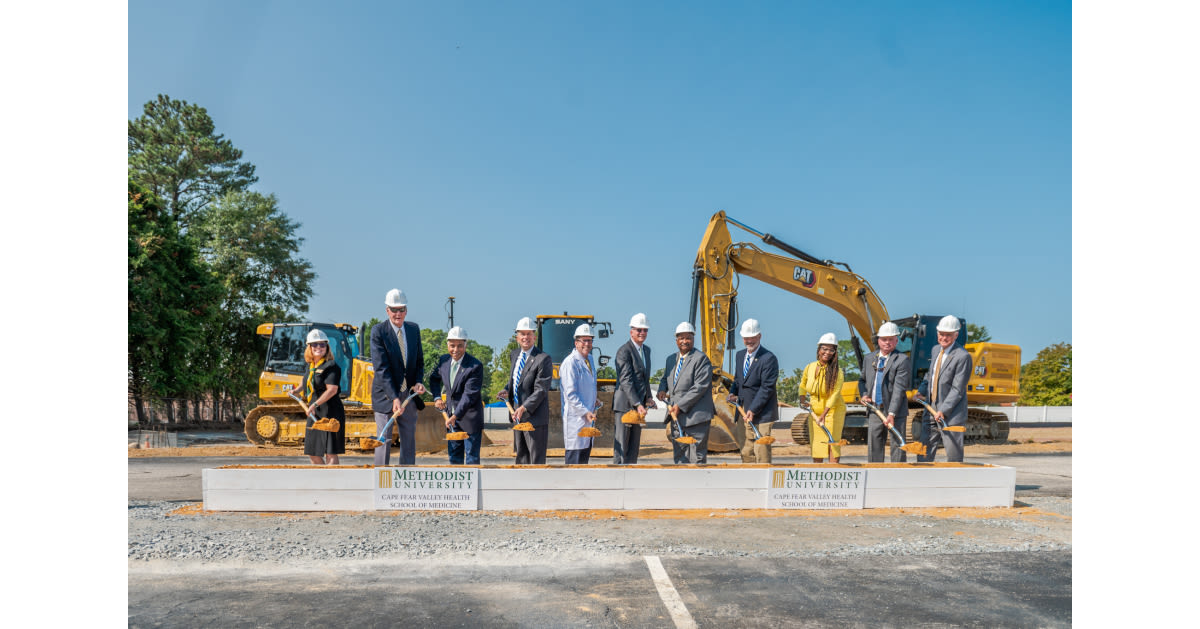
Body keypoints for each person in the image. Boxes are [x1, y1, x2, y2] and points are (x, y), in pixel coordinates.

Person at [369, 288, 426, 466]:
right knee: (384, 439)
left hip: (408, 394)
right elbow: (381, 368)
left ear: (406, 310)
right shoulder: (378, 331)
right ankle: (381, 478)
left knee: (408, 439)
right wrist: (394, 397)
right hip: (386, 395)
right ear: (387, 311)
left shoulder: (413, 329)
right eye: (394, 310)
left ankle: (407, 479)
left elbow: (419, 362)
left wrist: (418, 382)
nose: (398, 313)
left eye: (401, 309)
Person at [656, 322, 715, 464]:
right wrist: (662, 389)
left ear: (693, 339)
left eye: (688, 338)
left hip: (696, 417)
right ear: (676, 340)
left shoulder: (701, 359)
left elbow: (699, 387)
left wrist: (679, 406)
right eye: (681, 338)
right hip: (678, 418)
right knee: (680, 458)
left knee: (696, 458)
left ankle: (697, 486)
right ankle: (682, 485)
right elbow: (666, 378)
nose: (684, 341)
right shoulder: (671, 359)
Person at [916, 316, 972, 462]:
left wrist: (944, 410)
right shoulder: (935, 350)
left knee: (953, 454)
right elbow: (931, 374)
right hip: (931, 408)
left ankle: (954, 482)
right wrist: (921, 390)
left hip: (951, 413)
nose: (944, 338)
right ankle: (922, 479)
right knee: (923, 450)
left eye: (948, 335)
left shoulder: (963, 356)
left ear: (956, 335)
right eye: (941, 334)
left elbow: (958, 389)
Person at [499, 317, 553, 465]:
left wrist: (524, 407)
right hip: (518, 415)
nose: (525, 337)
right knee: (521, 458)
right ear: (517, 336)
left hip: (534, 417)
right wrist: (506, 390)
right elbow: (516, 380)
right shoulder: (515, 355)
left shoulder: (543, 359)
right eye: (522, 334)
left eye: (529, 334)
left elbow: (541, 389)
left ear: (534, 336)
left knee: (535, 461)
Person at [429, 326, 485, 465]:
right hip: (451, 418)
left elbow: (469, 396)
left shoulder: (475, 366)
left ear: (466, 345)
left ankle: (472, 487)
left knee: (471, 458)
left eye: (460, 346)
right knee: (454, 459)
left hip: (469, 418)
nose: (455, 350)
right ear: (447, 345)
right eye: (452, 345)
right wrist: (437, 398)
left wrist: (455, 416)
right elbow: (433, 379)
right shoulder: (443, 361)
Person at [726, 319, 779, 464]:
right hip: (743, 410)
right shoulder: (739, 355)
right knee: (746, 449)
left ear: (759, 336)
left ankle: (763, 480)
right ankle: (749, 480)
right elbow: (737, 380)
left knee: (761, 450)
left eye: (752, 337)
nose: (749, 341)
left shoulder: (769, 358)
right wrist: (732, 392)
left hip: (762, 413)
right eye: (746, 338)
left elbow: (766, 388)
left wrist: (753, 409)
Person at [859, 321, 912, 463]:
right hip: (875, 410)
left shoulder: (902, 359)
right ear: (878, 340)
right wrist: (864, 394)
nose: (887, 343)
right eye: (884, 339)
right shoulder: (869, 358)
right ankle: (876, 477)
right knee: (874, 447)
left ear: (896, 340)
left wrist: (892, 413)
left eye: (890, 339)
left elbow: (899, 389)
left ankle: (898, 477)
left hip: (895, 412)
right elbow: (862, 380)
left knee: (897, 447)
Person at [612, 313, 656, 464]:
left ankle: (630, 480)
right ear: (631, 331)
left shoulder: (646, 351)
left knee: (633, 449)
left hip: (639, 406)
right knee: (622, 448)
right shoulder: (624, 351)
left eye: (645, 330)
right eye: (639, 330)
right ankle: (617, 481)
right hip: (625, 405)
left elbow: (644, 378)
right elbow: (626, 380)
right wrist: (638, 403)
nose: (642, 333)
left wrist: (648, 397)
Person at [299, 329, 345, 465]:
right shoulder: (311, 366)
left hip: (330, 412)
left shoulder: (331, 366)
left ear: (327, 347)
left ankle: (333, 483)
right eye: (315, 344)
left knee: (330, 452)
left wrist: (314, 405)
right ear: (309, 348)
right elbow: (306, 381)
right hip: (315, 412)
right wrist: (296, 390)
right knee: (312, 452)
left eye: (322, 344)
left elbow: (332, 390)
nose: (319, 347)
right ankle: (322, 481)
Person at [799, 333, 846, 464]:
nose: (827, 352)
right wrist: (802, 399)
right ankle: (818, 472)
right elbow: (803, 384)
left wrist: (824, 414)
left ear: (835, 352)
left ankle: (833, 471)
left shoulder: (838, 372)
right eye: (824, 348)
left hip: (833, 410)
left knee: (832, 441)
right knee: (817, 442)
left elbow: (834, 395)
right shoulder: (810, 367)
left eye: (831, 350)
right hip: (815, 410)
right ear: (819, 349)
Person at [560, 324, 599, 465]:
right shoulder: (570, 363)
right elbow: (570, 394)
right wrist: (585, 411)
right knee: (574, 462)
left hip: (588, 418)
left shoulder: (590, 360)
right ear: (576, 342)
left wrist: (594, 398)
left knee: (584, 461)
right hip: (576, 420)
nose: (587, 344)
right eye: (584, 340)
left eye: (590, 340)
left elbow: (588, 385)